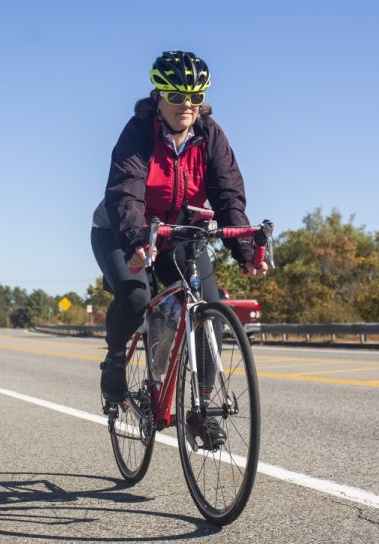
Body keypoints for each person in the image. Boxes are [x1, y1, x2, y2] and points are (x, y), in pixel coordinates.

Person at [91, 51, 268, 446]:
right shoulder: (138, 132)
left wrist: (243, 252)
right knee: (137, 296)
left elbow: (227, 196)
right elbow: (126, 192)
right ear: (158, 97)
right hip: (121, 230)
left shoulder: (210, 135)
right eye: (175, 95)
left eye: (194, 95)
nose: (185, 104)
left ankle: (201, 410)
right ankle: (116, 361)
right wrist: (136, 241)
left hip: (182, 233)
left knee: (210, 311)